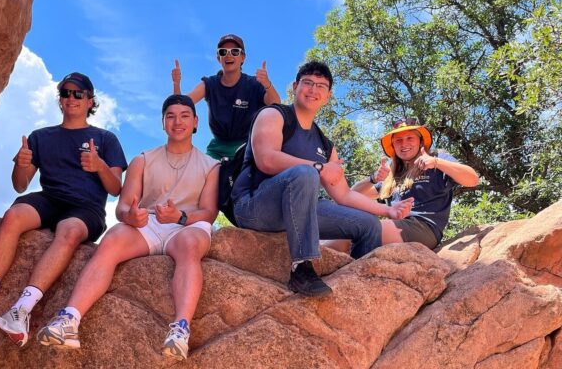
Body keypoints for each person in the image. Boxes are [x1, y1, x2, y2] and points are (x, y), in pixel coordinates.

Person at [0, 72, 128, 347]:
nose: (71, 98)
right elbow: (20, 185)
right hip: (49, 198)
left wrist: (99, 166)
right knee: (14, 215)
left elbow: (115, 188)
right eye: (65, 93)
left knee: (69, 231)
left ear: (90, 101)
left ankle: (21, 311)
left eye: (78, 94)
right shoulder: (41, 137)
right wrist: (21, 163)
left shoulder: (105, 138)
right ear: (60, 99)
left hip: (85, 207)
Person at [37, 94, 219, 362]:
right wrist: (131, 217)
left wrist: (179, 216)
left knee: (190, 248)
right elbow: (122, 207)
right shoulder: (143, 160)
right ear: (163, 123)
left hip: (186, 226)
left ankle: (180, 329)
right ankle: (70, 319)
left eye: (184, 116)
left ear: (195, 122)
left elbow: (208, 212)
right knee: (111, 241)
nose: (177, 122)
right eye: (170, 116)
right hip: (148, 223)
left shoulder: (211, 165)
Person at [230, 61, 414, 297]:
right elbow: (266, 158)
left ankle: (358, 287)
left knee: (368, 225)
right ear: (295, 87)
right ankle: (301, 268)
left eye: (321, 86)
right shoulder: (273, 115)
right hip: (254, 206)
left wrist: (389, 211)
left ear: (327, 96)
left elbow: (344, 194)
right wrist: (318, 167)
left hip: (298, 211)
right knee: (305, 173)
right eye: (307, 83)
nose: (313, 89)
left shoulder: (325, 146)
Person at [347, 118, 479, 249]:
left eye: (410, 138)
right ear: (393, 146)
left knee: (364, 229)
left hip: (425, 228)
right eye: (398, 140)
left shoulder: (437, 157)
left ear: (420, 141)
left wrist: (436, 162)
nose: (404, 144)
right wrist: (373, 178)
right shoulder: (392, 174)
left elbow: (473, 179)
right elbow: (350, 196)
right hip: (395, 225)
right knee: (344, 231)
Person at [172, 33, 281, 159]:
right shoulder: (210, 84)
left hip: (247, 148)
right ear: (219, 58)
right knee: (201, 174)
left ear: (243, 57)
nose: (228, 55)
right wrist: (176, 84)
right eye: (223, 52)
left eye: (235, 51)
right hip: (217, 149)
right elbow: (180, 106)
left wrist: (267, 84)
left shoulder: (253, 84)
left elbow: (275, 104)